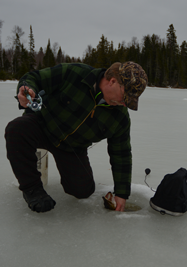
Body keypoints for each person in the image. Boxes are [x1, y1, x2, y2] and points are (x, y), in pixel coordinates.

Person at [4, 61, 148, 213]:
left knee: (83, 191)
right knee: (16, 130)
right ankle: (32, 190)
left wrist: (122, 193)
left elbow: (121, 154)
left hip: (72, 148)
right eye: (125, 96)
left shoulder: (120, 118)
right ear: (113, 81)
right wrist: (27, 89)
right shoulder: (75, 73)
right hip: (41, 125)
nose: (125, 103)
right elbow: (34, 77)